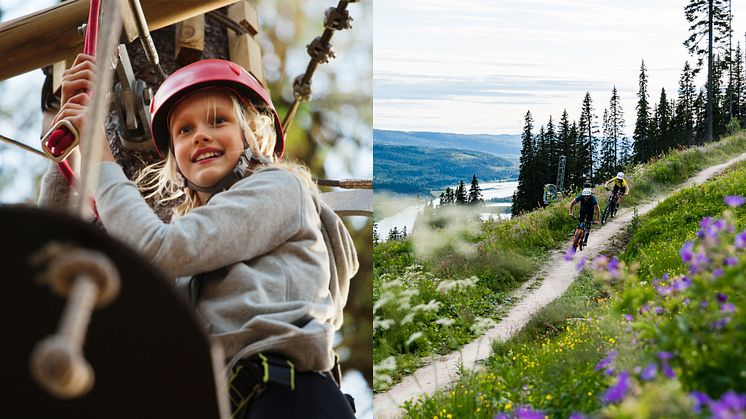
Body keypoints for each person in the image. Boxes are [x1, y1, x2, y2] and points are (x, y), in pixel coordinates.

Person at [40, 54, 358, 419]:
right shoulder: (194, 272)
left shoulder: (282, 188)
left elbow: (159, 249)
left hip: (288, 400)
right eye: (184, 130)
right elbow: (55, 257)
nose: (201, 135)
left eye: (218, 120)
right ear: (176, 157)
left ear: (254, 135)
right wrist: (67, 150)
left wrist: (101, 158)